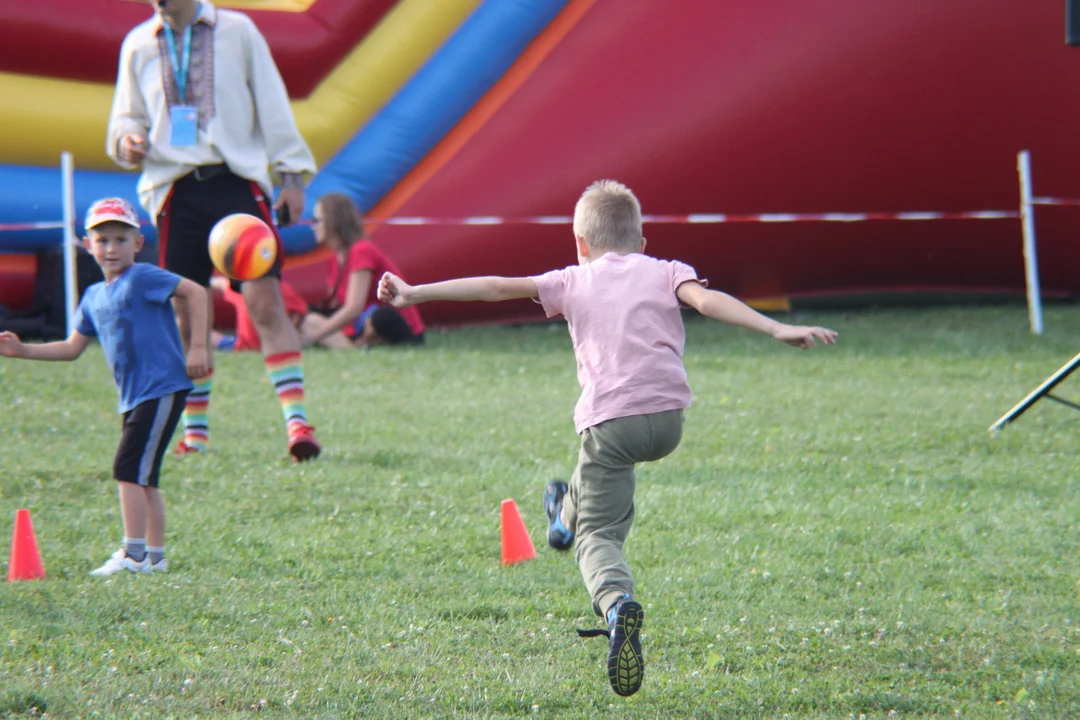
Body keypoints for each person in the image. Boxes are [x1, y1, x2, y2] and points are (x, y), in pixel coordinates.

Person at [378, 180, 838, 697]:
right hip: (667, 422)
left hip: (611, 424)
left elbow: (494, 286)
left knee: (600, 535)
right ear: (642, 242)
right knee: (588, 482)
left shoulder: (573, 279)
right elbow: (707, 302)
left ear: (580, 244)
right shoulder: (667, 271)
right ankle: (560, 516)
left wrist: (415, 293)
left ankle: (616, 602)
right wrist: (775, 329)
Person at [106, 0, 320, 461]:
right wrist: (127, 140)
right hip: (174, 191)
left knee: (265, 301)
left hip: (235, 185)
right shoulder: (139, 44)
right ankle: (196, 435)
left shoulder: (238, 30)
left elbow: (272, 102)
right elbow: (125, 117)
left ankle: (298, 424)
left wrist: (292, 175)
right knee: (186, 314)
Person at [0, 198, 209, 576]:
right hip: (132, 396)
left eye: (120, 239)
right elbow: (71, 348)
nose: (111, 248)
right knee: (144, 476)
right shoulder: (93, 297)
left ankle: (133, 554)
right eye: (103, 240)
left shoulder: (144, 276)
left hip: (161, 387)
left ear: (138, 244)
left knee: (126, 469)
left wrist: (197, 346)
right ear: (86, 244)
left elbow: (196, 292)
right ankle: (155, 558)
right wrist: (21, 350)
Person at [301, 193, 425, 349]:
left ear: (334, 222)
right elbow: (336, 304)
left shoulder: (361, 250)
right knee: (309, 317)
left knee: (380, 318)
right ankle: (352, 344)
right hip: (360, 322)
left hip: (388, 323)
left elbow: (354, 307)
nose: (313, 226)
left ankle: (350, 347)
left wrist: (316, 335)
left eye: (317, 221)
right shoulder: (336, 256)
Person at [210, 276, 309, 353]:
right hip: (266, 344)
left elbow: (221, 283)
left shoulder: (242, 290)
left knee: (205, 335)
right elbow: (300, 311)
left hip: (246, 346)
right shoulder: (280, 288)